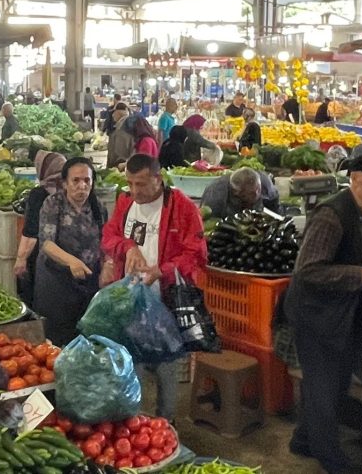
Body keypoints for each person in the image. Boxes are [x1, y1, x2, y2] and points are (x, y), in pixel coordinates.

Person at [282, 154, 362, 474]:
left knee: (335, 379)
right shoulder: (332, 216)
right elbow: (309, 270)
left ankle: (303, 439)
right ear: (354, 178)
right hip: (315, 313)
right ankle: (331, 457)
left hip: (342, 312)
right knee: (324, 385)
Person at [102, 154, 208, 422]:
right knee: (130, 361)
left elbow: (196, 253)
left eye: (141, 184)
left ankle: (166, 422)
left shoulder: (181, 207)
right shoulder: (125, 202)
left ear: (158, 180)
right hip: (130, 298)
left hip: (166, 299)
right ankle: (133, 422)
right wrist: (128, 247)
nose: (134, 191)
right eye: (130, 183)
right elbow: (109, 236)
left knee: (166, 365)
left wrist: (162, 270)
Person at [34, 157, 108, 345]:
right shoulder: (53, 204)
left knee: (86, 332)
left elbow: (106, 241)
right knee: (57, 338)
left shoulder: (98, 207)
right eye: (76, 180)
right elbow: (46, 243)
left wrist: (108, 264)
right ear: (65, 183)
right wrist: (72, 262)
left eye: (87, 180)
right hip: (56, 281)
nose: (82, 186)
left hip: (88, 281)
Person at [14, 151, 66, 307]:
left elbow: (31, 232)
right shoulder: (70, 189)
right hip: (67, 254)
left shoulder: (39, 194)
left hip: (42, 255)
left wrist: (21, 258)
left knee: (39, 297)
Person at [200, 167, 279, 219]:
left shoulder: (265, 183)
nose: (256, 194)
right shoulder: (215, 194)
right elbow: (206, 222)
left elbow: (274, 206)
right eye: (250, 193)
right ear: (236, 192)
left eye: (258, 189)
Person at [107, 104, 135, 169]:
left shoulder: (122, 128)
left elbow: (120, 153)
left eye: (114, 112)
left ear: (119, 112)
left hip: (120, 167)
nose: (113, 115)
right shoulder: (126, 124)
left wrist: (116, 166)